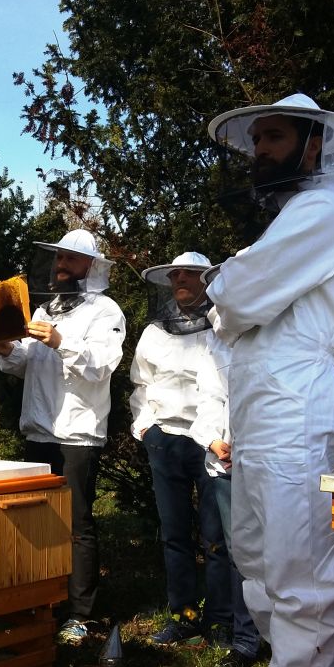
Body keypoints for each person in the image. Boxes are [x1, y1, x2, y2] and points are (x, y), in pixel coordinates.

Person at [206, 93, 334, 667]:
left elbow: (236, 295)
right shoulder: (294, 217)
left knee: (297, 563)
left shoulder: (323, 210)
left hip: (296, 405)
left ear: (313, 143)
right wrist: (234, 289)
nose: (261, 150)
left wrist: (233, 284)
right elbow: (230, 310)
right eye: (258, 139)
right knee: (256, 555)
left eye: (274, 137)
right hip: (263, 406)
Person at [0, 230, 125, 645]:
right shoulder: (46, 308)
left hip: (77, 431)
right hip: (40, 427)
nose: (61, 265)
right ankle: (45, 601)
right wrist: (4, 348)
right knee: (39, 520)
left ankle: (80, 614)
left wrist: (63, 342)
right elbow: (23, 364)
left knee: (78, 523)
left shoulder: (105, 311)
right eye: (58, 257)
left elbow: (103, 365)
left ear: (91, 266)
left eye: (71, 258)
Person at [129, 253, 233, 647]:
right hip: (166, 439)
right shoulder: (155, 332)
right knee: (174, 533)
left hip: (211, 443)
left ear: (206, 281)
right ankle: (185, 616)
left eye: (189, 275)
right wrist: (144, 427)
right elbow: (141, 385)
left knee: (217, 535)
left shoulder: (223, 326)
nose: (181, 281)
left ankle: (222, 619)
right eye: (175, 276)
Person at [189, 319, 261, 667]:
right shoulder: (212, 347)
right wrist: (213, 439)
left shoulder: (276, 334)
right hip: (228, 465)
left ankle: (284, 636)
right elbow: (207, 399)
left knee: (285, 550)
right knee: (239, 554)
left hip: (273, 460)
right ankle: (246, 639)